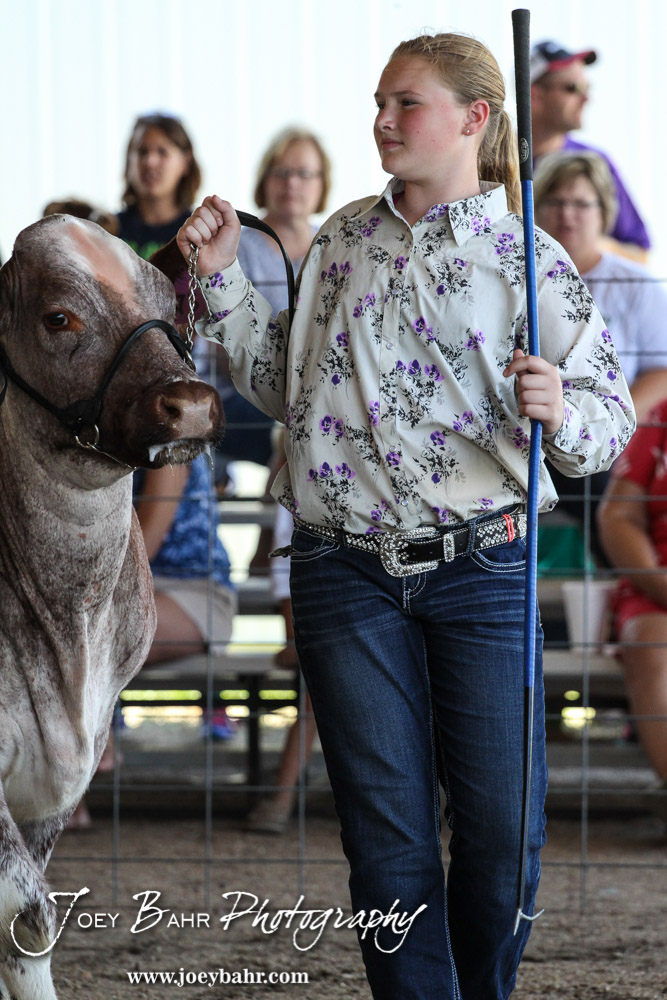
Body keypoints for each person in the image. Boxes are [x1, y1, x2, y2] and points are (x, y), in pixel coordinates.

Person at [176, 31, 635, 999]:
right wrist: (220, 278)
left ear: (474, 118)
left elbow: (608, 424)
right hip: (342, 569)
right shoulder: (341, 239)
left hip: (485, 566)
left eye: (405, 103)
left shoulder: (529, 259)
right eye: (378, 103)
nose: (381, 120)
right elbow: (289, 389)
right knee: (385, 839)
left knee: (503, 836)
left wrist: (560, 406)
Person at [534, 151, 667, 561]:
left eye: (581, 203)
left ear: (604, 212)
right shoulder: (519, 276)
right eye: (555, 202)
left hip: (608, 433)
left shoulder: (635, 284)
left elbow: (663, 370)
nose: (566, 215)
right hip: (532, 429)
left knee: (600, 475)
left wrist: (614, 422)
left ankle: (621, 575)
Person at [199, 126, 332, 487]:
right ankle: (279, 522)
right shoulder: (234, 246)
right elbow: (220, 349)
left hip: (309, 394)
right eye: (281, 172)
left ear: (322, 183)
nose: (292, 183)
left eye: (304, 173)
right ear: (264, 180)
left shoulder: (333, 245)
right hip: (239, 394)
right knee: (307, 429)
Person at [597, 403, 667, 812]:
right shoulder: (660, 418)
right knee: (650, 642)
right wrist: (659, 581)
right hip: (657, 585)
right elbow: (618, 516)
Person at [530, 40, 650, 257]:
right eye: (573, 88)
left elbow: (640, 255)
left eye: (587, 88)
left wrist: (587, 243)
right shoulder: (491, 160)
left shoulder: (593, 163)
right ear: (535, 95)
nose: (586, 98)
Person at [117, 112, 202, 320]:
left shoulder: (199, 233)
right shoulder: (107, 231)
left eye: (162, 152)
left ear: (185, 162)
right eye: (142, 151)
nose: (150, 162)